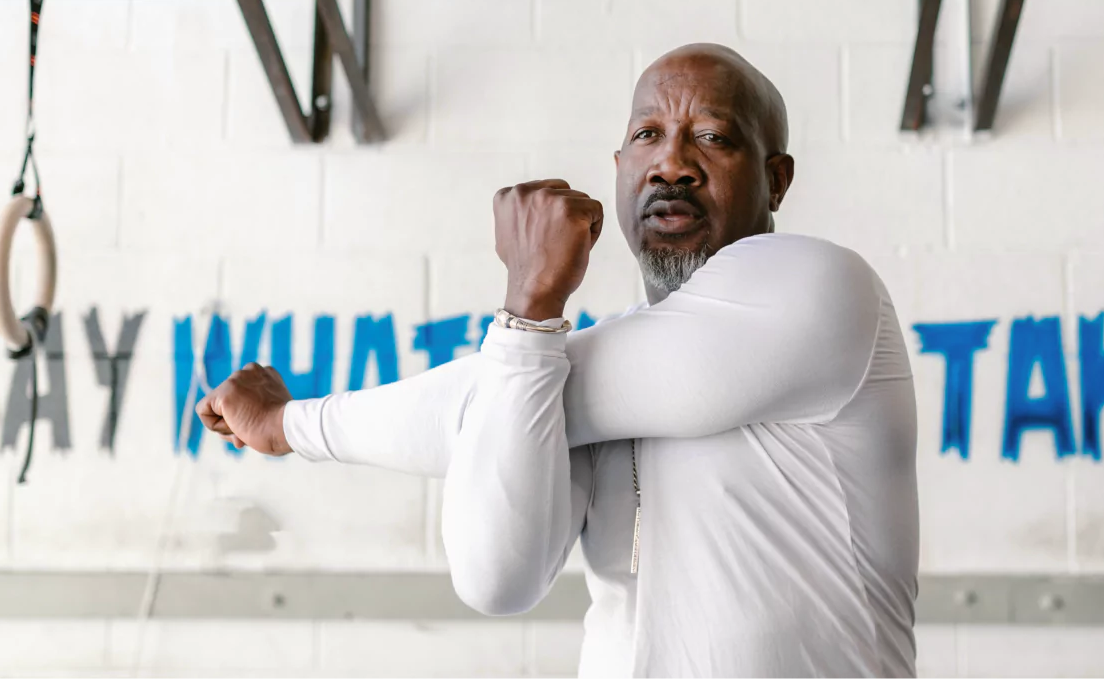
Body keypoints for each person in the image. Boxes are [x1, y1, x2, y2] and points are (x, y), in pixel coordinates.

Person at [197, 43, 919, 679]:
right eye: (648, 134)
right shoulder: (558, 369)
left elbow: (489, 400)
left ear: (777, 179)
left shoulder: (818, 285)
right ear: (618, 169)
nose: (673, 162)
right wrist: (528, 320)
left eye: (712, 137)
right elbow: (495, 579)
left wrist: (291, 422)